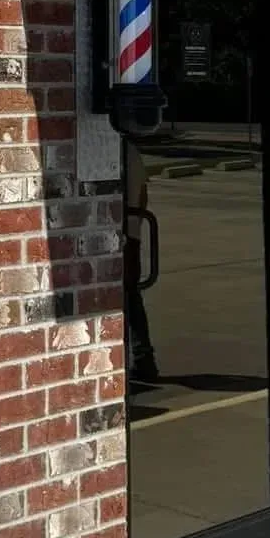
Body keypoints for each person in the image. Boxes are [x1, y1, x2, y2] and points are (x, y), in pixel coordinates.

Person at [122, 138, 160, 385]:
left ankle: (140, 358)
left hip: (120, 233)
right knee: (132, 296)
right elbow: (143, 195)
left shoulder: (116, 151)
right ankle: (143, 357)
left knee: (125, 297)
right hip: (132, 234)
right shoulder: (132, 152)